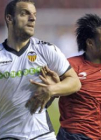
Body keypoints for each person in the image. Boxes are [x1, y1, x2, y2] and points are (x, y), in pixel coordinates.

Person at [32, 14, 101, 140]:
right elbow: (44, 102)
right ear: (90, 43)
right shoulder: (70, 67)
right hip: (72, 136)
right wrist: (53, 90)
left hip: (98, 136)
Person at [0, 0, 81, 139]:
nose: (32, 18)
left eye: (34, 14)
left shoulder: (46, 50)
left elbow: (75, 82)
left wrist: (52, 89)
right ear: (9, 18)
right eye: (24, 13)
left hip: (42, 134)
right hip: (7, 134)